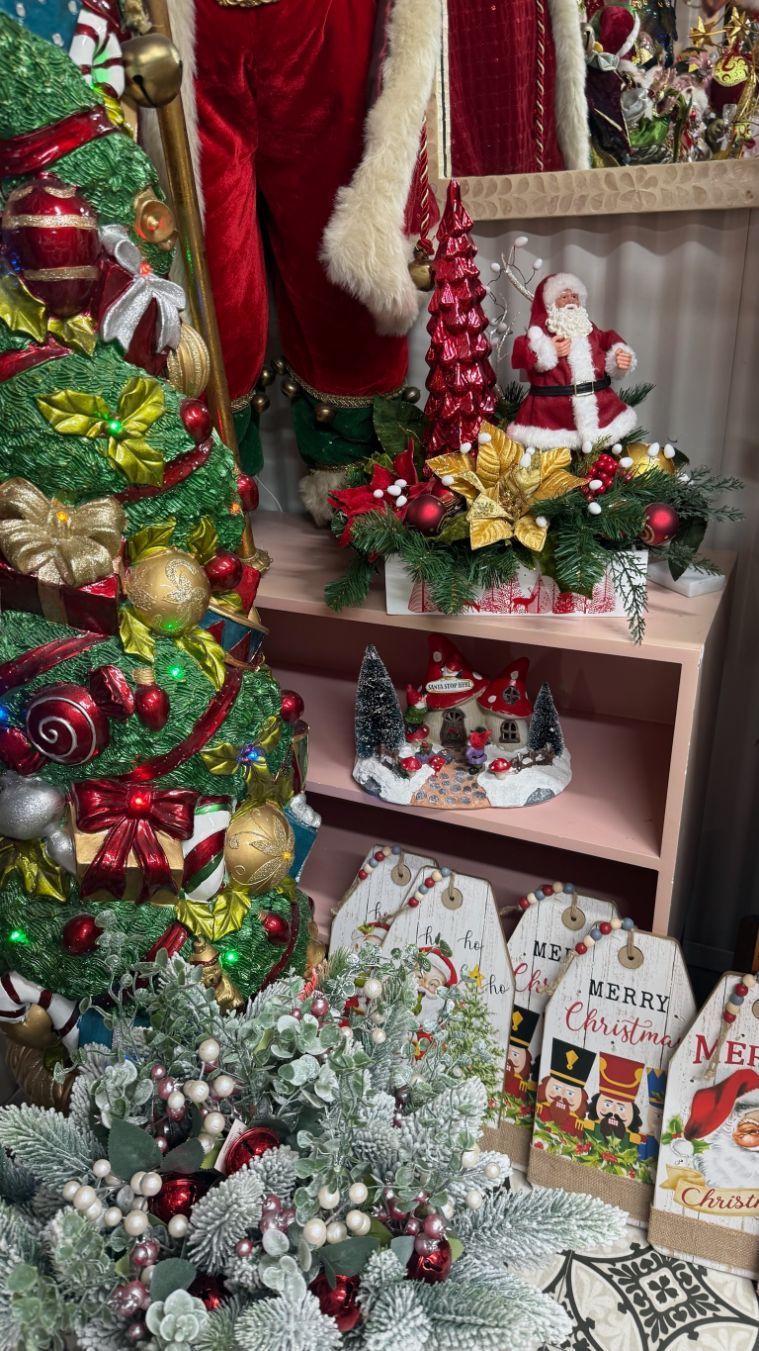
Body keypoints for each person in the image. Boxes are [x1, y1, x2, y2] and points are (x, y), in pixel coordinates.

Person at [508, 272, 638, 451]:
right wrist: (547, 350)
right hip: (552, 417)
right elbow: (520, 353)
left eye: (574, 296)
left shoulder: (589, 329)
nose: (570, 300)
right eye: (563, 296)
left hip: (600, 411)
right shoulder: (539, 335)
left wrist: (619, 355)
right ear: (550, 304)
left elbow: (610, 339)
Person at [536, 1038, 595, 1137]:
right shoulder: (540, 1108)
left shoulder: (578, 1124)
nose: (562, 1096)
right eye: (557, 1088)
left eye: (570, 1093)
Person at [587, 1054, 645, 1150]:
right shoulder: (591, 1126)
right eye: (607, 1104)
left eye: (621, 1108)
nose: (613, 1111)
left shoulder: (632, 1138)